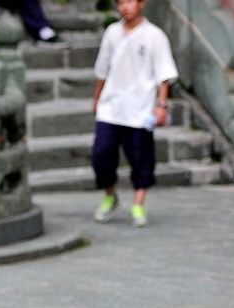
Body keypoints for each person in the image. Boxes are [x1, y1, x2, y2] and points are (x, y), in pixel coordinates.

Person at [90, 0, 177, 227]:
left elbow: (163, 76)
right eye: (120, 2)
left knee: (141, 159)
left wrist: (161, 105)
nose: (124, 7)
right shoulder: (112, 33)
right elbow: (102, 69)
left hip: (140, 110)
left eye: (129, 1)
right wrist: (97, 98)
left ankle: (138, 203)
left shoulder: (155, 36)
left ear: (141, 3)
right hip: (111, 107)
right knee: (101, 156)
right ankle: (110, 194)